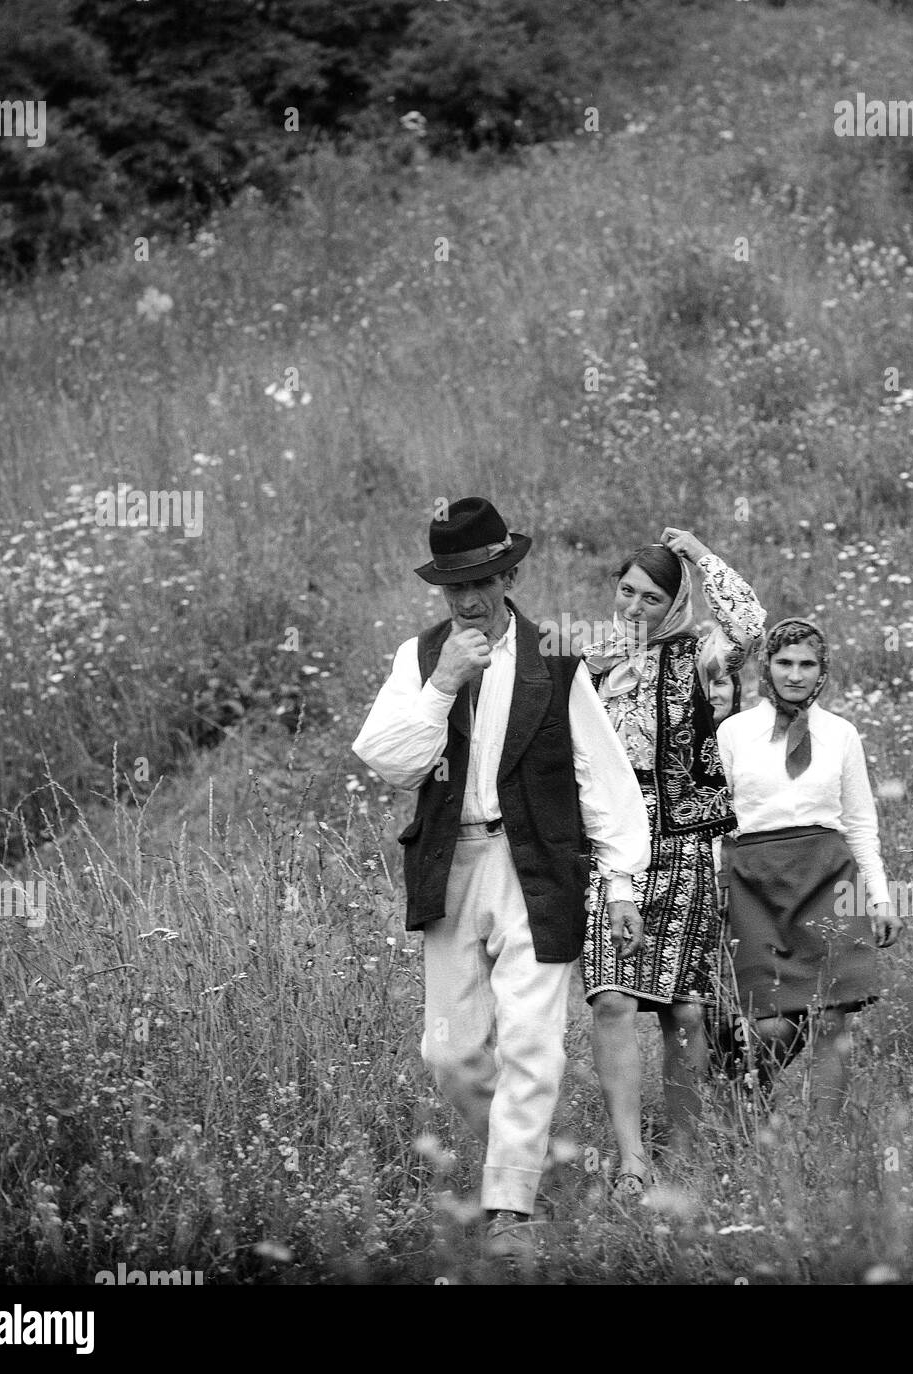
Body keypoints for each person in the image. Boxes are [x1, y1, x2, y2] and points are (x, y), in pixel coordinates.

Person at [352, 497, 650, 1260]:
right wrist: (443, 685)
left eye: (480, 581)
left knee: (530, 1038)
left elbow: (604, 777)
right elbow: (390, 761)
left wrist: (620, 883)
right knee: (447, 1053)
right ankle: (525, 1154)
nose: (467, 599)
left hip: (535, 865)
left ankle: (511, 1202)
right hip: (448, 864)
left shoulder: (557, 660)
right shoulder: (421, 657)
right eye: (453, 586)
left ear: (509, 576)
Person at [581, 528, 765, 1195]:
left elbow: (750, 625)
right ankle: (632, 1159)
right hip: (608, 838)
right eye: (626, 591)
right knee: (610, 997)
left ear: (675, 602)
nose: (634, 607)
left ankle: (684, 1156)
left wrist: (702, 555)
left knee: (683, 1008)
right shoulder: (591, 663)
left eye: (651, 597)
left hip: (683, 836)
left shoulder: (700, 655)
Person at [716, 618, 900, 1117]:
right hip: (756, 882)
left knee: (833, 1018)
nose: (795, 675)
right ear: (766, 666)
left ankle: (825, 1142)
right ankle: (740, 1099)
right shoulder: (734, 732)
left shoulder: (841, 733)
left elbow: (859, 824)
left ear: (822, 670)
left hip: (829, 878)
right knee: (771, 1021)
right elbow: (717, 820)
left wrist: (880, 897)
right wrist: (716, 886)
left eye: (807, 664)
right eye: (784, 663)